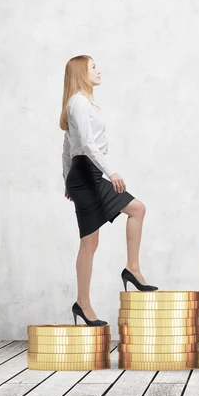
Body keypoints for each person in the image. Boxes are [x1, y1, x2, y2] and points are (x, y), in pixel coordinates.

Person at [59, 55, 158, 327]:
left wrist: (67, 179)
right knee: (89, 244)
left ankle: (132, 269)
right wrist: (110, 172)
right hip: (87, 174)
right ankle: (83, 303)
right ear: (81, 72)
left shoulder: (83, 103)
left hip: (85, 174)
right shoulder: (78, 102)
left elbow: (67, 147)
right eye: (93, 67)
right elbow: (85, 145)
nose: (99, 70)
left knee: (135, 210)